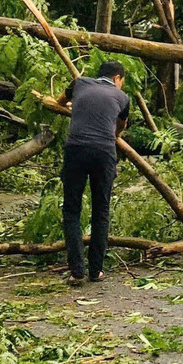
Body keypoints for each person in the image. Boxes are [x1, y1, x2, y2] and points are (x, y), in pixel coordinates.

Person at [57, 61, 132, 284]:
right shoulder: (123, 97)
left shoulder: (79, 83)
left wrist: (75, 107)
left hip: (76, 149)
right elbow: (121, 126)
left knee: (71, 209)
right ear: (118, 78)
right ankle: (95, 270)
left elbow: (61, 102)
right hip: (104, 151)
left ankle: (76, 271)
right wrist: (114, 135)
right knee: (101, 209)